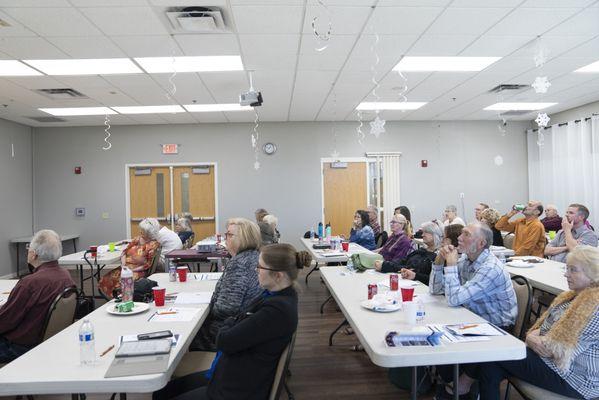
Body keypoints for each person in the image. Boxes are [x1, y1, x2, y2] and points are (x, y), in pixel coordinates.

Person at [154, 243, 312, 400]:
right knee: (162, 391)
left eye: (260, 267)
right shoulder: (278, 295)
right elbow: (237, 321)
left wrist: (231, 322)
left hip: (237, 388)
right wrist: (233, 322)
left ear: (278, 275)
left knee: (162, 394)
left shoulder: (276, 311)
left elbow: (224, 340)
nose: (256, 270)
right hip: (235, 374)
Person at [470, 245, 599, 400]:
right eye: (567, 268)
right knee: (492, 363)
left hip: (576, 379)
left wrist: (531, 337)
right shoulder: (573, 296)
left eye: (573, 270)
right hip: (554, 363)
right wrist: (532, 336)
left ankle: (462, 388)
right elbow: (543, 328)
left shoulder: (594, 306)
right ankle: (467, 389)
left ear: (593, 274)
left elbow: (558, 350)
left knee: (495, 354)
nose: (566, 274)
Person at [0, 230, 75, 362]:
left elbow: (6, 321)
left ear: (33, 254)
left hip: (20, 346)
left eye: (28, 248)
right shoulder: (65, 275)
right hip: (49, 340)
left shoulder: (29, 283)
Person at [430, 222, 517, 329]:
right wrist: (439, 261)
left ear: (481, 243)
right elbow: (436, 290)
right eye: (461, 233)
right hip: (472, 317)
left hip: (497, 327)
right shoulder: (466, 259)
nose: (459, 238)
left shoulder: (490, 268)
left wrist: (451, 265)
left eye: (466, 234)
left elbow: (453, 299)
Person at [194, 218, 262, 350]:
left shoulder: (239, 263)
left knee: (189, 329)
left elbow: (226, 309)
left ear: (244, 238)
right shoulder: (253, 256)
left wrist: (206, 307)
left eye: (229, 235)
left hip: (230, 331)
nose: (225, 238)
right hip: (245, 324)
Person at [99, 219, 160, 298]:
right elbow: (124, 251)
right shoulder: (137, 239)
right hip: (125, 267)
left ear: (150, 233)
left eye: (143, 231)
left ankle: (124, 298)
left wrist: (132, 270)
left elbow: (147, 264)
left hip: (138, 270)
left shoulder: (153, 244)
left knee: (124, 282)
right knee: (106, 279)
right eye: (141, 230)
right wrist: (123, 264)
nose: (141, 232)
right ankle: (115, 298)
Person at [375, 220, 444, 284]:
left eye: (426, 232)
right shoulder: (421, 251)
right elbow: (403, 261)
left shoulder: (438, 257)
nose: (422, 235)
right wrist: (386, 264)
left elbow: (433, 280)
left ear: (435, 235)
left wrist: (385, 266)